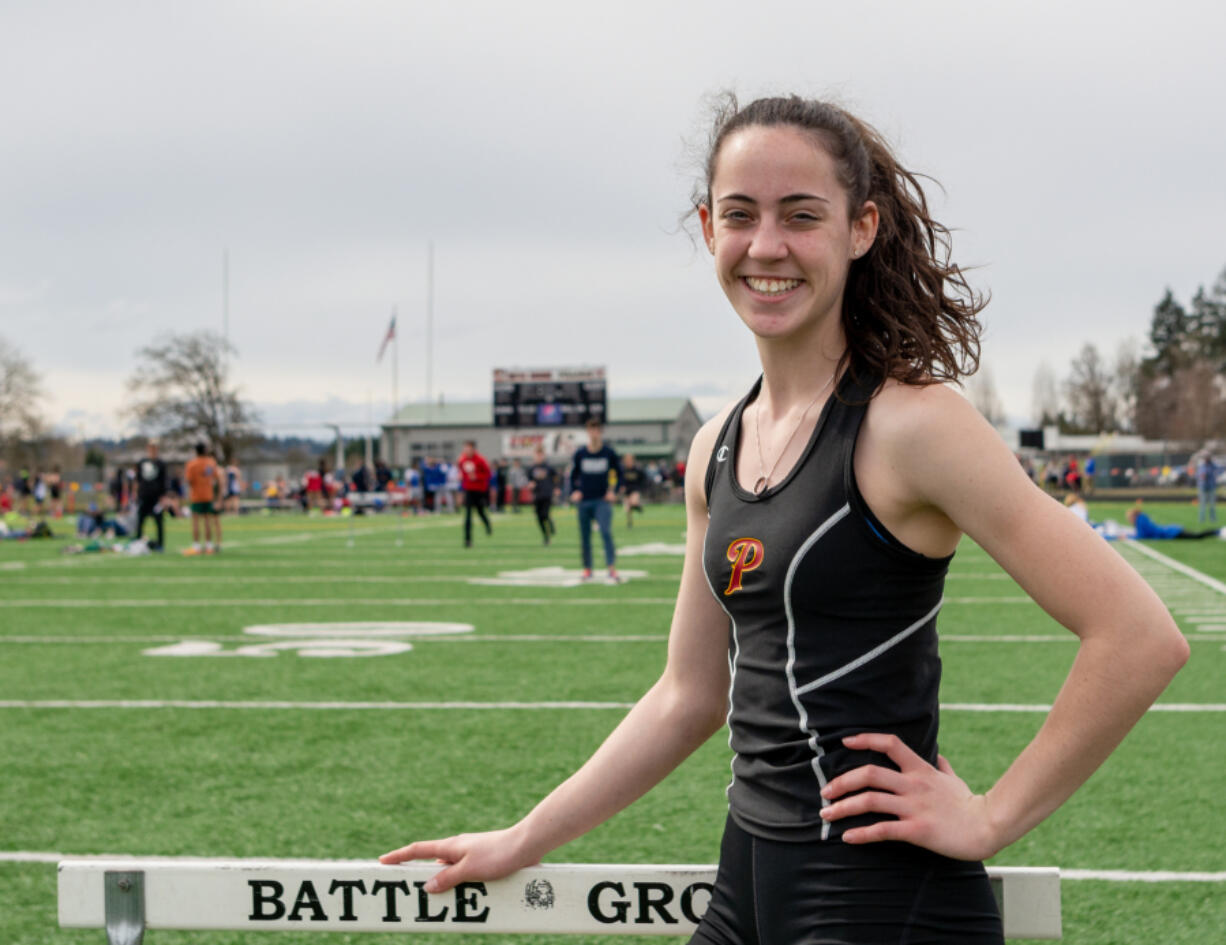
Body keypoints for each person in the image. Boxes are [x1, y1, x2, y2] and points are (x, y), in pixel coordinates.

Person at [380, 94, 1188, 944]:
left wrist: (990, 817)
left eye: (802, 216)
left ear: (860, 228)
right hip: (748, 888)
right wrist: (524, 835)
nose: (767, 246)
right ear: (708, 230)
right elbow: (689, 695)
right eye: (741, 215)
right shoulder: (713, 448)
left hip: (884, 901)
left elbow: (1138, 635)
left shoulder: (913, 425)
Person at [569, 418, 622, 582]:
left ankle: (611, 568)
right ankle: (587, 569)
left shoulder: (608, 453)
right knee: (585, 536)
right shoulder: (580, 454)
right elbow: (572, 476)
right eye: (591, 430)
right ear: (587, 432)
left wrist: (615, 492)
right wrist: (574, 491)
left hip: (602, 501)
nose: (594, 433)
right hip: (584, 501)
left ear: (601, 432)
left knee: (605, 532)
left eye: (596, 430)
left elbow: (620, 475)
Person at [182, 442, 220, 555]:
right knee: (208, 521)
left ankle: (196, 546)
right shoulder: (211, 463)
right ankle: (209, 546)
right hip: (208, 495)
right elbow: (216, 478)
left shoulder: (191, 464)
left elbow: (189, 480)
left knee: (195, 522)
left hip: (196, 496)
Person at [133, 440, 169, 551]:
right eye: (151, 447)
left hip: (156, 497)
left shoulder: (161, 464)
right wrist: (135, 493)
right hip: (144, 496)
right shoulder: (142, 462)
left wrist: (163, 497)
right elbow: (137, 480)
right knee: (140, 520)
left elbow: (164, 481)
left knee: (158, 521)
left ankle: (160, 544)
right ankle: (138, 542)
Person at [457, 440, 493, 548]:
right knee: (467, 515)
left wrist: (477, 477)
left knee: (480, 512)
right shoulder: (462, 460)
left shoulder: (480, 459)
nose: (466, 451)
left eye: (468, 448)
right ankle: (467, 540)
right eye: (465, 449)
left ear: (473, 449)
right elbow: (462, 472)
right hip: (468, 490)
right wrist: (461, 477)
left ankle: (487, 525)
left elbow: (488, 474)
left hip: (480, 490)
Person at [1127, 504, 1221, 540]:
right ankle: (1216, 532)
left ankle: (1217, 531)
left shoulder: (1141, 520)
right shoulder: (1141, 519)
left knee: (1197, 536)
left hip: (1173, 533)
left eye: (1130, 518)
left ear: (1134, 516)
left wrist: (1128, 536)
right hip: (1172, 530)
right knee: (1197, 535)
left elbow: (1142, 535)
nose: (1129, 521)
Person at [527, 447, 558, 544]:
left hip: (547, 494)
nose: (539, 457)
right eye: (537, 455)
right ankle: (546, 536)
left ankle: (550, 523)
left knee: (545, 514)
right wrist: (530, 484)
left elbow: (556, 477)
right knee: (539, 517)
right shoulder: (531, 469)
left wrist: (556, 488)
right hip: (537, 495)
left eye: (540, 455)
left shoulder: (548, 468)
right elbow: (529, 480)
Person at [618, 452, 647, 527]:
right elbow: (620, 480)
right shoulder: (622, 470)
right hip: (626, 491)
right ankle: (629, 523)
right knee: (627, 508)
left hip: (635, 489)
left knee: (633, 502)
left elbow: (643, 479)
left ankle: (638, 507)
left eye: (630, 460)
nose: (628, 462)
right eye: (626, 460)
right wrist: (621, 487)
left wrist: (641, 488)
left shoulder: (638, 470)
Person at [1195, 451, 1219, 523]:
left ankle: (1213, 519)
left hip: (1211, 486)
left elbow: (1217, 471)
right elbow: (1198, 475)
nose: (1207, 459)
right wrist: (1201, 476)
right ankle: (1201, 519)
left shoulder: (1213, 466)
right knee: (1202, 504)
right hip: (1203, 487)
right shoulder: (1201, 466)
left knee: (1212, 504)